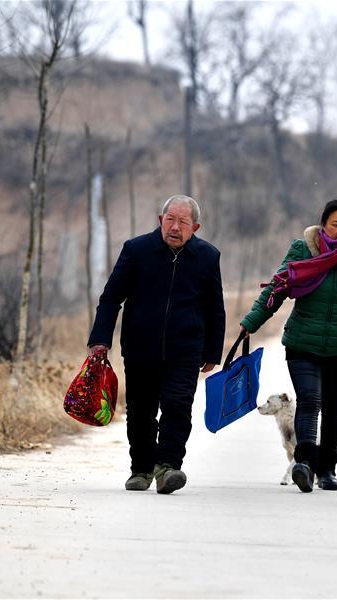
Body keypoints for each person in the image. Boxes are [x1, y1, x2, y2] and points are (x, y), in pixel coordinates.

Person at [240, 199, 337, 493]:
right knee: (310, 400)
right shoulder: (302, 250)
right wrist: (251, 322)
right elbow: (277, 289)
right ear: (323, 224)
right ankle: (305, 464)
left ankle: (327, 468)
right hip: (302, 342)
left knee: (334, 408)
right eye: (335, 224)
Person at [88, 194, 225, 494]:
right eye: (170, 220)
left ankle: (168, 467)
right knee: (140, 410)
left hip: (185, 349)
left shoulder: (207, 256)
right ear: (160, 220)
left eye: (183, 222)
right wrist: (100, 339)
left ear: (195, 227)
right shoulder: (136, 250)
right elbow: (111, 298)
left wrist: (213, 351)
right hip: (140, 347)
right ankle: (141, 468)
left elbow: (215, 307)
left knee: (178, 406)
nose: (175, 227)